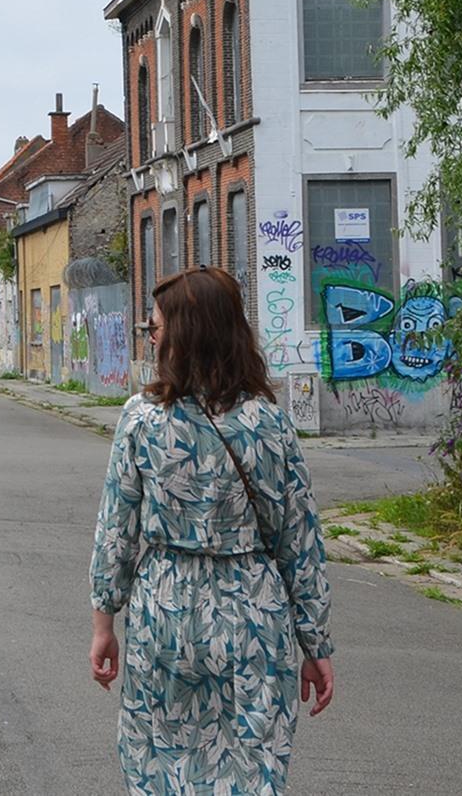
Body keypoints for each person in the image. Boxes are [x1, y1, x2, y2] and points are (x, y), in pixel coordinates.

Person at [89, 266, 335, 795]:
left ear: (182, 335)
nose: (150, 337)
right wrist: (314, 642)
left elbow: (117, 530)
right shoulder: (271, 423)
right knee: (252, 764)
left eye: (153, 328)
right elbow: (301, 541)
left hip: (165, 612)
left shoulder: (141, 420)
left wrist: (104, 622)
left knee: (161, 762)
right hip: (253, 615)